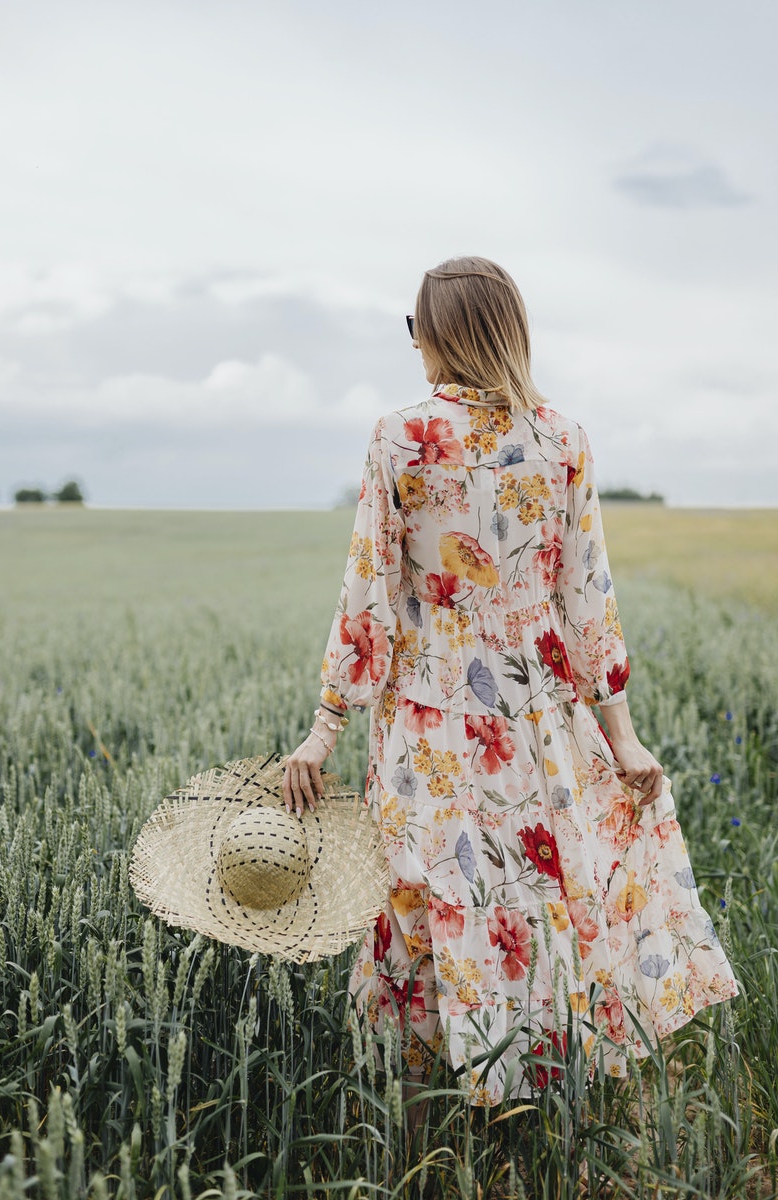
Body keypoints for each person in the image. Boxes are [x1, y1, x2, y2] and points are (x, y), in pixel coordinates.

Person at [282, 256, 738, 1104]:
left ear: (440, 335)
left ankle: (431, 1102)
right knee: (540, 896)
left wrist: (324, 728)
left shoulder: (399, 437)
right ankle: (552, 1082)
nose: (414, 344)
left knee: (433, 897)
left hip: (430, 725)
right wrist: (624, 736)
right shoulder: (563, 439)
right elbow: (587, 598)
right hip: (538, 716)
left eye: (415, 329)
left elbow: (368, 597)